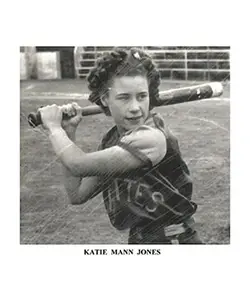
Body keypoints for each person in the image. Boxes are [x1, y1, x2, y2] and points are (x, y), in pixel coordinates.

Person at [39, 48, 202, 244]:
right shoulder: (114, 140)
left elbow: (77, 164)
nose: (135, 108)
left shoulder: (152, 138)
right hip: (140, 239)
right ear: (105, 98)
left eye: (142, 96)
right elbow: (77, 194)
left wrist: (54, 128)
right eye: (124, 97)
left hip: (173, 240)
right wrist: (68, 132)